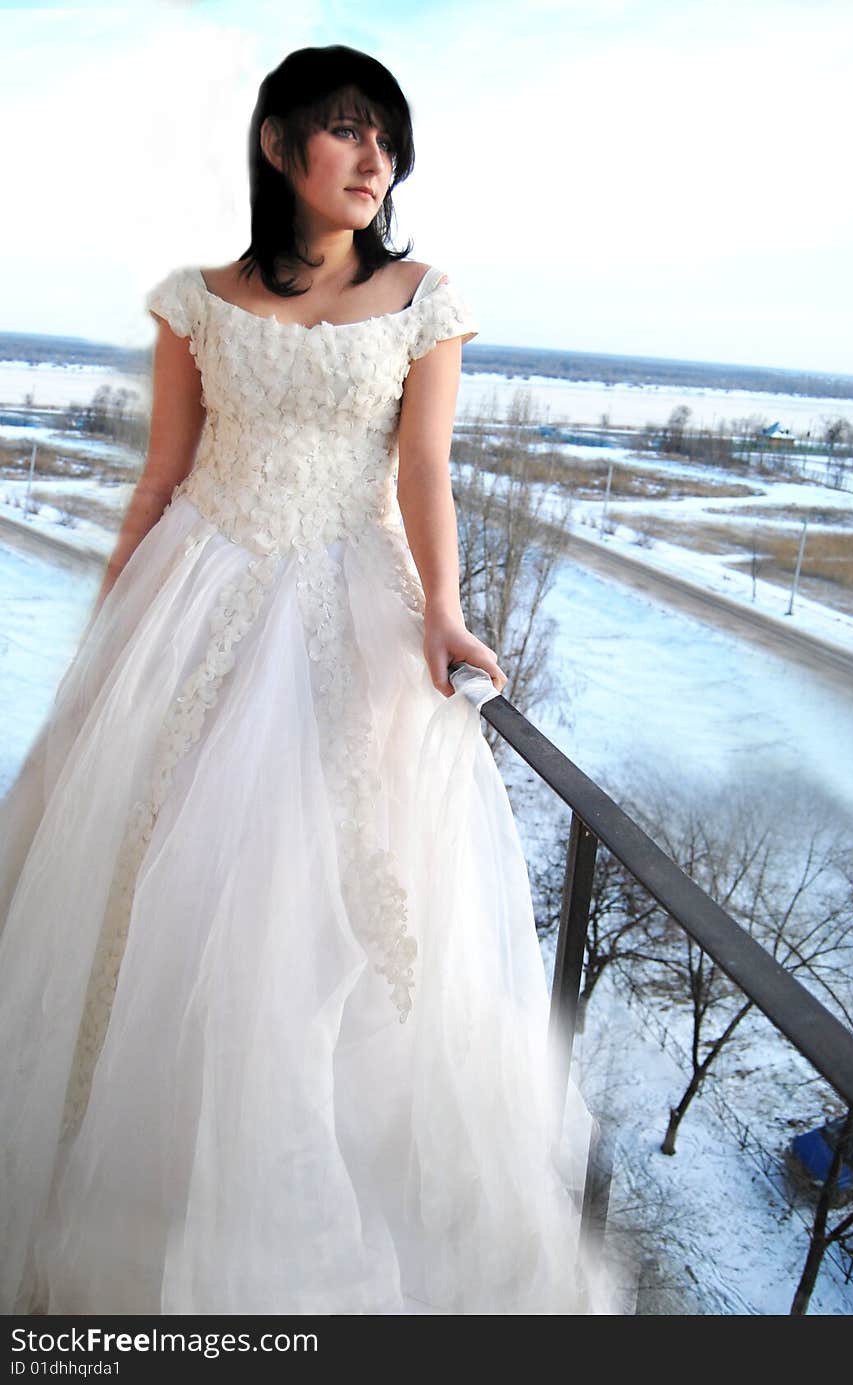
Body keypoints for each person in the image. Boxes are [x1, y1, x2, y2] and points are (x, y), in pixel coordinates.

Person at [0, 44, 621, 1315]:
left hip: (350, 606)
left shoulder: (423, 296)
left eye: (387, 141)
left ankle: (289, 1187)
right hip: (200, 591)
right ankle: (140, 1180)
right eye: (346, 132)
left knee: (312, 896)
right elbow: (165, 473)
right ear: (279, 145)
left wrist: (444, 613)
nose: (373, 160)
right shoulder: (196, 299)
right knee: (164, 884)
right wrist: (110, 640)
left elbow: (424, 469)